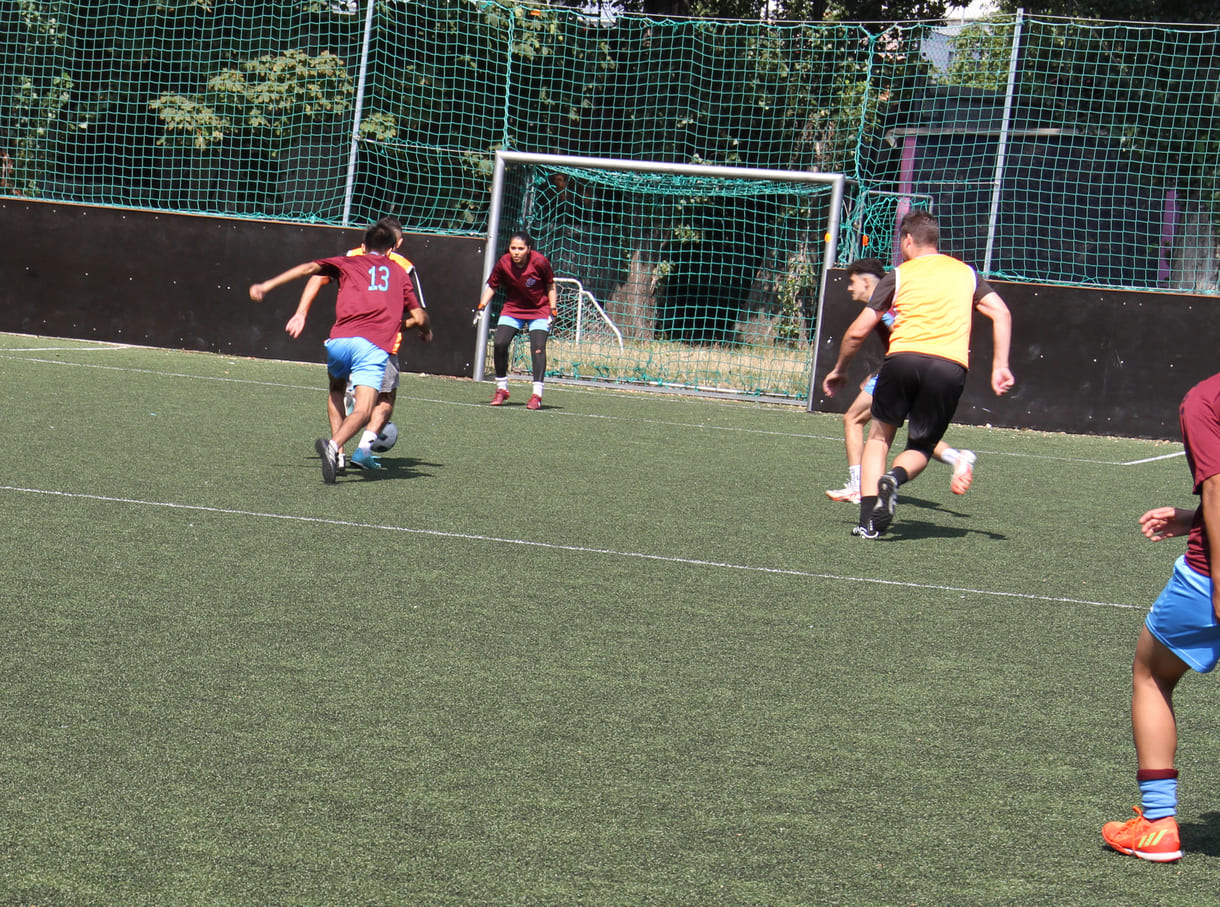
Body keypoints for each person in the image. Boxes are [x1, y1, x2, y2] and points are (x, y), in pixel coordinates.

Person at [821, 211, 1013, 538]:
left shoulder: (899, 275)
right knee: (922, 446)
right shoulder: (967, 274)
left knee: (879, 437)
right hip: (949, 367)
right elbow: (1001, 312)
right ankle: (894, 480)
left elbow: (857, 332)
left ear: (908, 239)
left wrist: (840, 370)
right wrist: (1000, 365)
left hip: (902, 360)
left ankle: (868, 524)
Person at [1100, 371, 1220, 863]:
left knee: (1151, 674)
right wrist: (1193, 517)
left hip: (1206, 580)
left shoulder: (1207, 398)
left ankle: (1157, 824)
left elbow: (1217, 489)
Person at [248, 221, 427, 484]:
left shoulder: (348, 260)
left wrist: (268, 285)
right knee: (371, 406)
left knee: (336, 390)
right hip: (376, 345)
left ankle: (339, 455)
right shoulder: (400, 270)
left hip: (339, 341)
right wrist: (424, 329)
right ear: (393, 248)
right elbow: (420, 315)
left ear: (364, 245)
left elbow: (311, 270)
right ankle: (339, 446)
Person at [825, 258, 977, 504]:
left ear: (866, 281)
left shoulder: (885, 305)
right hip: (923, 367)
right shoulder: (895, 299)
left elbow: (902, 334)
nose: (849, 289)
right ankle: (957, 458)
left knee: (853, 419)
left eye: (852, 283)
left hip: (904, 369)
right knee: (919, 437)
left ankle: (858, 486)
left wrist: (885, 372)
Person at [476, 231, 557, 410]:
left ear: (528, 249)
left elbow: (551, 286)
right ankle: (502, 389)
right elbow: (492, 286)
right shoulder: (503, 262)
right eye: (513, 248)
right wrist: (481, 306)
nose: (516, 252)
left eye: (521, 248)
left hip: (539, 310)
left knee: (537, 349)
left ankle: (537, 395)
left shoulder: (540, 262)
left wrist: (553, 310)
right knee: (499, 343)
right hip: (513, 310)